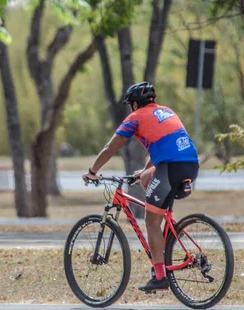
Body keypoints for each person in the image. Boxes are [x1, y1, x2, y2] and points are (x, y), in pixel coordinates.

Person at [82, 81, 199, 292]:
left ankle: (160, 276)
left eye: (130, 105)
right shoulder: (166, 111)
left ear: (135, 104)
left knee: (150, 221)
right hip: (190, 165)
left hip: (169, 168)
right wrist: (143, 171)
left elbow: (111, 148)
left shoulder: (135, 117)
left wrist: (92, 171)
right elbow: (166, 147)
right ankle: (171, 236)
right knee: (146, 180)